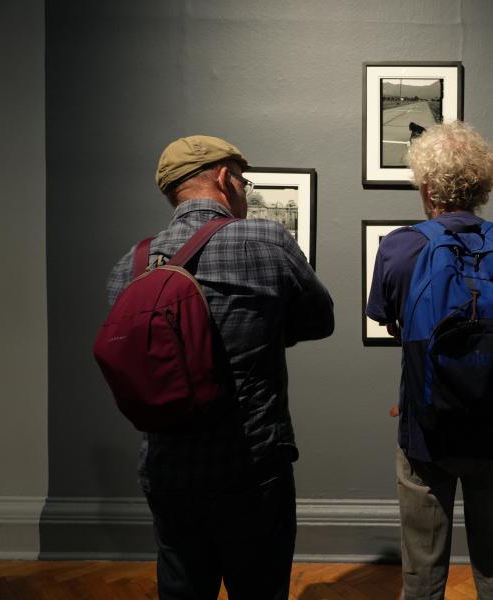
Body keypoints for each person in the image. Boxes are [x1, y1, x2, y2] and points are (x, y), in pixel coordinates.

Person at [106, 134, 334, 600]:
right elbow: (320, 321)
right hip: (250, 465)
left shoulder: (130, 265)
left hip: (167, 470)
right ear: (226, 178)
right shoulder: (265, 239)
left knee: (181, 589)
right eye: (243, 181)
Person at [366, 121, 493, 600]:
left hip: (426, 429)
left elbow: (389, 321)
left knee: (421, 573)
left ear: (426, 186)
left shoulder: (401, 247)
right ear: (485, 186)